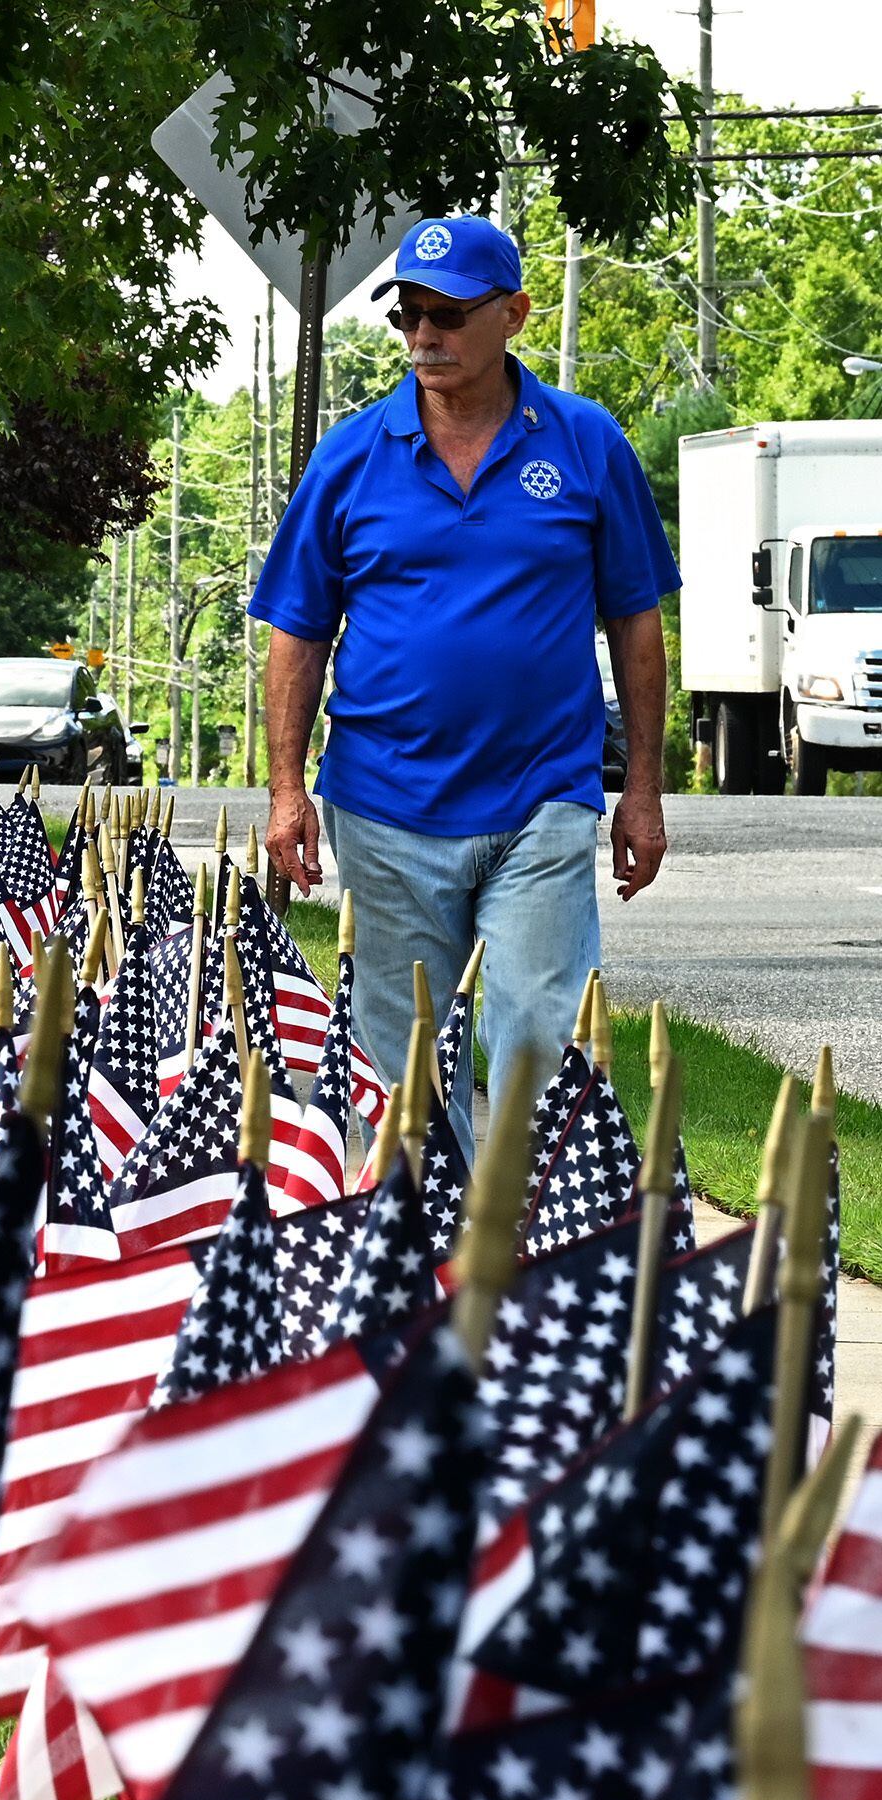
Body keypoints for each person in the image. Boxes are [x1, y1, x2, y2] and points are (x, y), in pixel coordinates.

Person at [253, 214, 677, 1146]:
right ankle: (420, 1262)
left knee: (538, 1043)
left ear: (514, 314)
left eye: (447, 313)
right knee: (403, 1071)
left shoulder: (586, 443)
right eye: (408, 314)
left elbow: (637, 623)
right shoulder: (350, 456)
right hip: (384, 802)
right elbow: (297, 628)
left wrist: (641, 790)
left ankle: (525, 1257)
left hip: (543, 798)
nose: (424, 336)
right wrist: (287, 791)